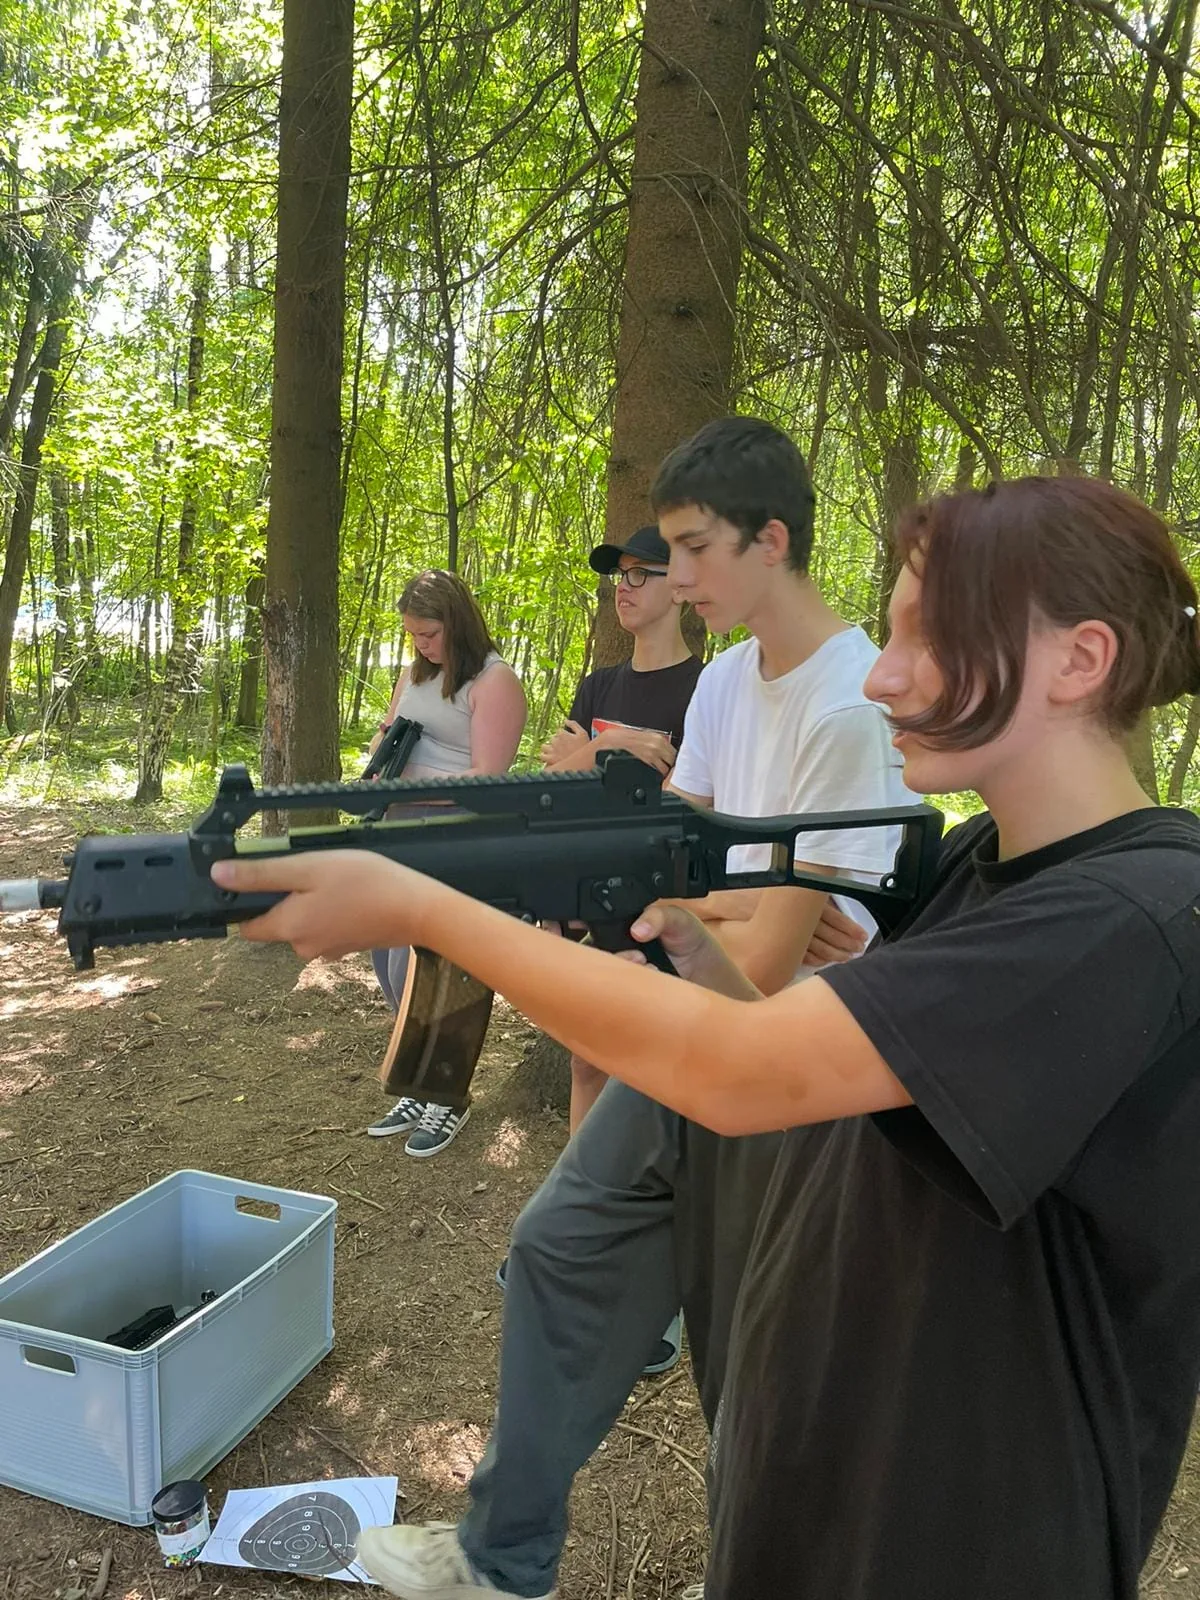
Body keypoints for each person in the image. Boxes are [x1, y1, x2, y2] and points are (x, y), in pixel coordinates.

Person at [215, 472, 1200, 1600]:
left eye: (933, 639)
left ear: (1081, 660)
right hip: (836, 1470)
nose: (884, 673)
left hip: (962, 1526)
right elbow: (849, 1097)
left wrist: (425, 906)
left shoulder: (1127, 916)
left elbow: (742, 1078)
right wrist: (712, 970)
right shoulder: (988, 862)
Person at [541, 522, 703, 1130]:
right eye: (618, 575)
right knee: (587, 1063)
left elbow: (686, 803)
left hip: (666, 904)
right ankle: (577, 1212)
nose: (623, 587)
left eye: (641, 573)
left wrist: (586, 754)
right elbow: (555, 790)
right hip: (593, 895)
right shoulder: (599, 684)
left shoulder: (703, 690)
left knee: (650, 1079)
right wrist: (619, 749)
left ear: (681, 590)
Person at [367, 569, 526, 1157]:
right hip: (398, 830)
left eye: (429, 634)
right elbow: (390, 733)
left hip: (455, 835)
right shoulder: (415, 673)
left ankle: (448, 1094)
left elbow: (489, 779)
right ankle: (418, 1078)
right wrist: (382, 761)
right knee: (388, 963)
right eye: (412, 635)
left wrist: (416, 781)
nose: (421, 646)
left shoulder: (494, 681)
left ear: (455, 623)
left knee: (435, 971)